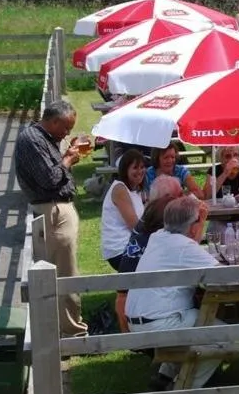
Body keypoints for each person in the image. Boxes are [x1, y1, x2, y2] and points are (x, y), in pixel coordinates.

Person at [127, 195, 223, 390]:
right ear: (193, 225)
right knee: (224, 336)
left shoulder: (158, 236)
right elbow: (224, 277)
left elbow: (190, 242)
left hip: (138, 321)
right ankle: (184, 388)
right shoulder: (184, 247)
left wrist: (197, 223)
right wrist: (200, 223)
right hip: (158, 325)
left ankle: (164, 375)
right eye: (199, 221)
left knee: (198, 316)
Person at [13, 100, 88, 337]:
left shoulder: (44, 138)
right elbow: (51, 179)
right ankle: (72, 333)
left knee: (64, 269)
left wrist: (66, 152)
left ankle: (64, 328)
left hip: (56, 209)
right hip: (53, 210)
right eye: (66, 128)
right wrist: (68, 160)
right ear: (53, 121)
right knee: (64, 273)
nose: (67, 133)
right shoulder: (32, 140)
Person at [115, 175, 183, 332]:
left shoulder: (147, 219)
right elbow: (187, 251)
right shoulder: (161, 227)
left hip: (132, 303)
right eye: (179, 194)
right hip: (145, 309)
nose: (183, 198)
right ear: (166, 200)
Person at [100, 149, 146, 271]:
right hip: (120, 249)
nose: (140, 171)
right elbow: (135, 226)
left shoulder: (136, 191)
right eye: (135, 167)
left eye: (142, 167)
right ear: (125, 170)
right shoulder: (120, 189)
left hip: (131, 244)